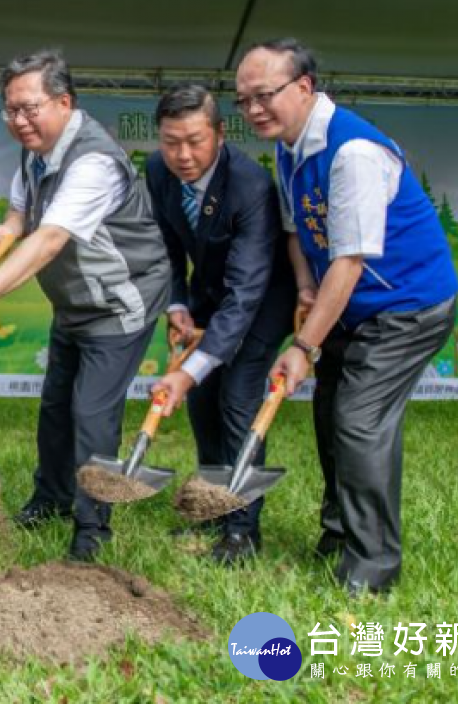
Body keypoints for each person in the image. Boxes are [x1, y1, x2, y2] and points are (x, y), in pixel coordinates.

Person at [236, 38, 458, 596]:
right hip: (347, 303)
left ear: (304, 87)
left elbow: (350, 261)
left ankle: (373, 565)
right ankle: (338, 534)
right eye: (243, 100)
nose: (253, 109)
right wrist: (305, 289)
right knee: (330, 414)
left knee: (359, 423)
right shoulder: (289, 149)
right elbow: (297, 234)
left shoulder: (351, 152)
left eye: (264, 95)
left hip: (408, 308)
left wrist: (303, 345)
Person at [0, 50, 170, 561]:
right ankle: (51, 497)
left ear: (64, 102)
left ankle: (93, 530)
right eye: (10, 111)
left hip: (118, 303)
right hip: (73, 304)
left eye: (30, 108)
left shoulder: (93, 161)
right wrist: (4, 227)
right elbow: (25, 216)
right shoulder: (37, 149)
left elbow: (47, 241)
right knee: (55, 407)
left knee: (91, 412)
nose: (19, 121)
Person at [145, 84, 295, 565]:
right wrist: (176, 303)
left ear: (220, 133)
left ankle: (243, 531)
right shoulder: (157, 171)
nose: (183, 155)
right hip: (209, 296)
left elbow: (247, 291)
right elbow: (166, 248)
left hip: (262, 300)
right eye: (171, 141)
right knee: (203, 406)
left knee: (237, 400)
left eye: (194, 140)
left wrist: (188, 372)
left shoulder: (250, 186)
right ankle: (212, 507)